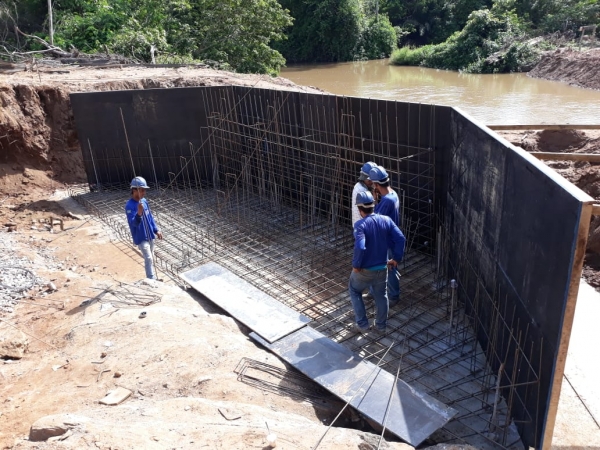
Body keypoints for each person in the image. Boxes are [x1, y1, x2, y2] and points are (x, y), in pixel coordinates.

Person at [349, 191, 405, 334]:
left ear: (360, 209)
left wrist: (356, 265)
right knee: (381, 295)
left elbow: (360, 246)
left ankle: (362, 324)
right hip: (382, 267)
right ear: (373, 206)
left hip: (365, 270)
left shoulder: (360, 225)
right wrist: (396, 259)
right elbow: (401, 239)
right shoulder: (386, 220)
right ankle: (381, 326)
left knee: (355, 291)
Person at [368, 166, 402, 306]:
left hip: (385, 240)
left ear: (376, 184)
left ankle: (394, 296)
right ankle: (372, 291)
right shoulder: (393, 194)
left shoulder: (387, 201)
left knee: (389, 268)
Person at [125, 176, 163, 280]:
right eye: (141, 190)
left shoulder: (144, 201)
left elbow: (150, 217)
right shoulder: (129, 206)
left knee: (152, 257)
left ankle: (154, 277)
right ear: (134, 190)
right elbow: (133, 223)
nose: (144, 193)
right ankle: (151, 280)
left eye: (144, 190)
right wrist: (139, 212)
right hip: (141, 237)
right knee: (148, 258)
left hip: (150, 234)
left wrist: (156, 230)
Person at [351, 161, 377, 227]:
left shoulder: (358, 185)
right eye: (369, 180)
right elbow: (370, 210)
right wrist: (375, 197)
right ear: (363, 178)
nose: (371, 182)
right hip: (363, 226)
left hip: (359, 224)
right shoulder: (362, 191)